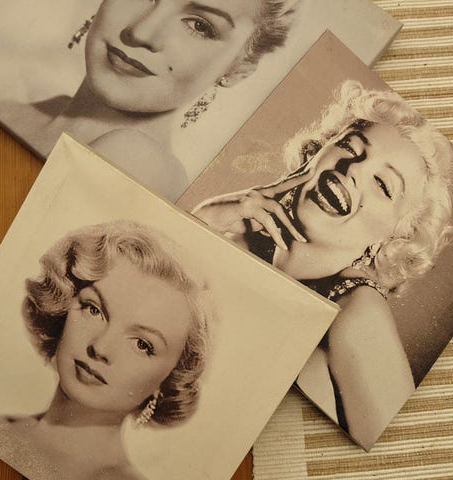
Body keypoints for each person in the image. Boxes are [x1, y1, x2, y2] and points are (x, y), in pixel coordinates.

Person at [192, 80, 453, 449]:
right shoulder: (234, 237)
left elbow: (400, 452)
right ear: (317, 152)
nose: (353, 170)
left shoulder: (358, 316)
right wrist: (203, 219)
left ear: (394, 238)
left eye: (383, 185)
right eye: (350, 147)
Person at [0, 0, 299, 200]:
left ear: (239, 69)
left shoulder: (135, 161)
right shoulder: (9, 109)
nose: (141, 32)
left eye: (199, 26)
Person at [0, 220, 212, 479]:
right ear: (63, 306)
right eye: (94, 309)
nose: (100, 347)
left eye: (142, 344)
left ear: (169, 380)